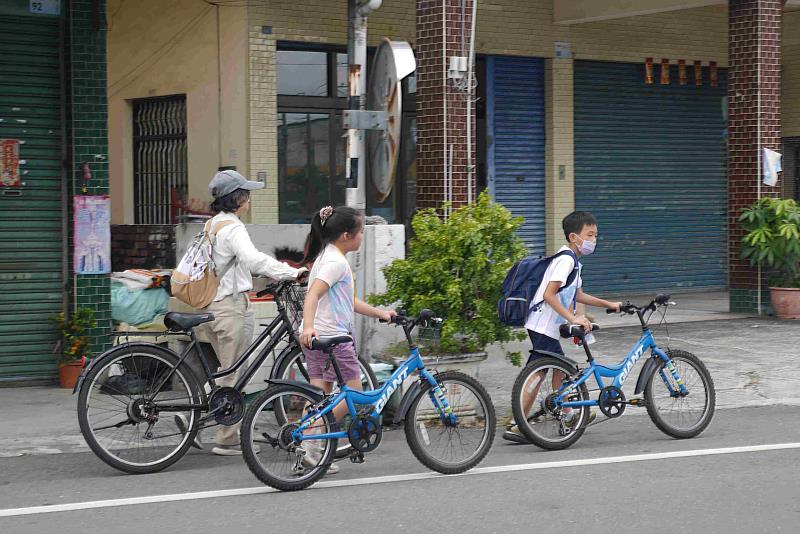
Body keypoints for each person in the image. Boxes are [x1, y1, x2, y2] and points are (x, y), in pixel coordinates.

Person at [180, 170, 307, 456]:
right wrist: (291, 271)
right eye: (246, 195)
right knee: (234, 371)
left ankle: (193, 415)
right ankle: (225, 438)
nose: (249, 200)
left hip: (209, 304)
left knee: (227, 370)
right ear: (238, 199)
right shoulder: (233, 227)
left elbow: (230, 266)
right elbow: (252, 260)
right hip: (230, 307)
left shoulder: (212, 225)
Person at [503, 211, 622, 444]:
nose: (593, 240)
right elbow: (549, 294)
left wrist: (602, 307)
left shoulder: (575, 263)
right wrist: (572, 318)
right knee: (553, 368)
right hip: (541, 324)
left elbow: (577, 295)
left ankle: (530, 421)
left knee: (550, 369)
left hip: (546, 325)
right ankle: (532, 422)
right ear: (573, 237)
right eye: (589, 235)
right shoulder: (566, 259)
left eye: (595, 235)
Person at [298, 205, 395, 472]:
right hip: (332, 339)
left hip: (318, 338)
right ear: (345, 235)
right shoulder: (335, 262)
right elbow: (312, 295)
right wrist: (308, 326)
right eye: (360, 232)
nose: (362, 236)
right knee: (356, 393)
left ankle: (309, 448)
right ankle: (314, 437)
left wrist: (380, 313)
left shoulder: (326, 256)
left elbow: (348, 301)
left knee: (320, 394)